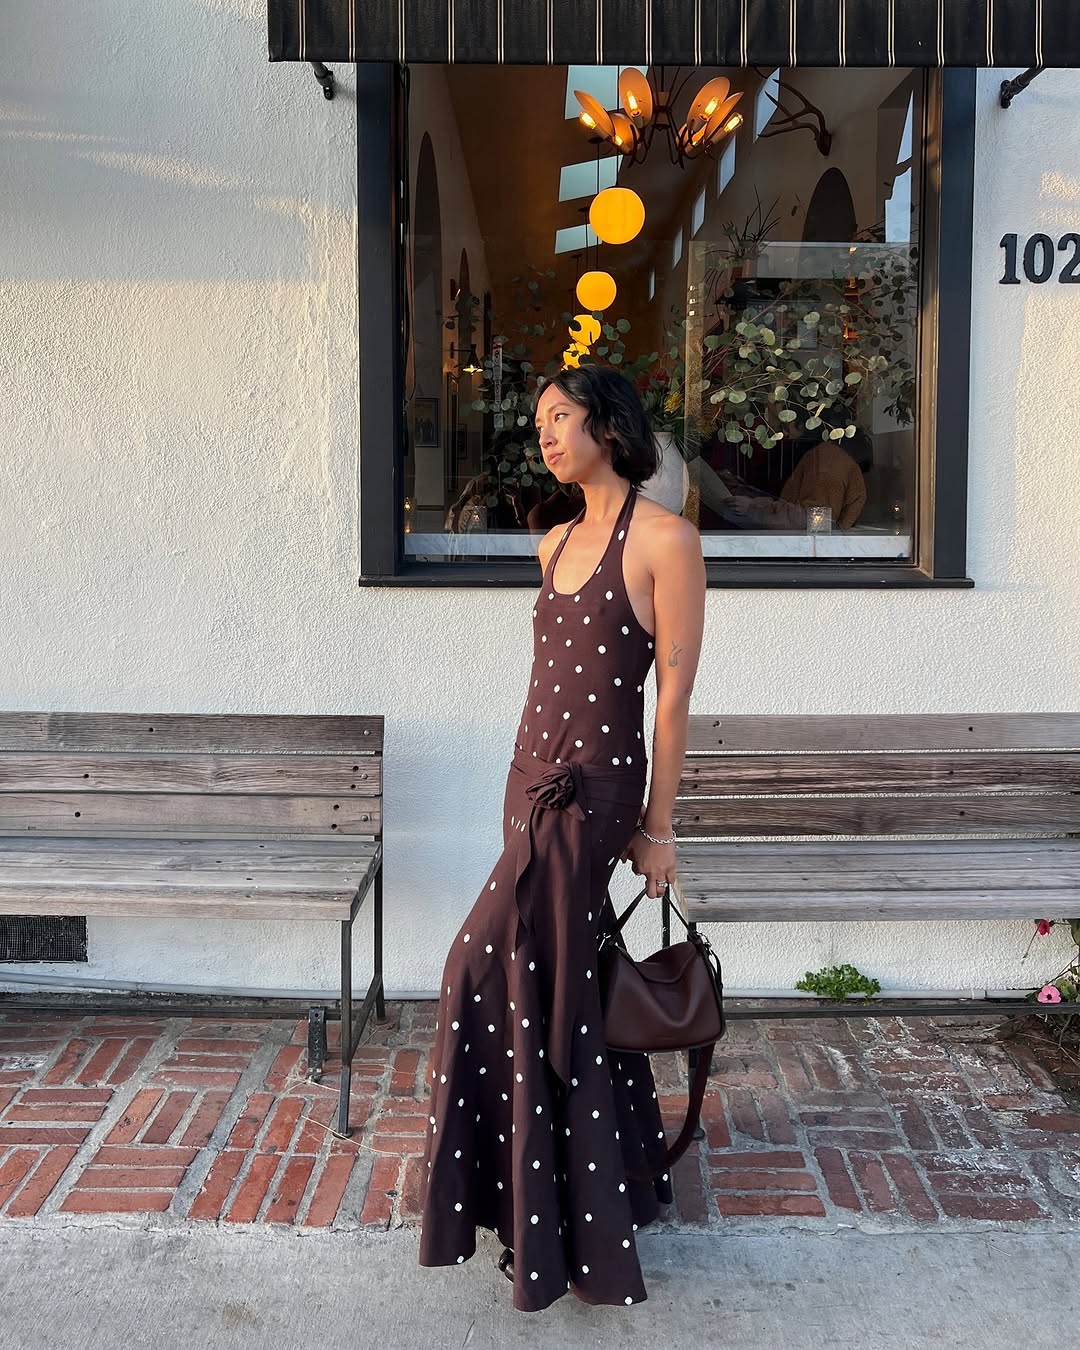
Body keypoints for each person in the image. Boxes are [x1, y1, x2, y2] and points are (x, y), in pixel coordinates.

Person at [418, 364, 706, 1313]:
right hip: (527, 784)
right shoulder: (550, 543)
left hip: (595, 799)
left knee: (475, 966)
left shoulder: (665, 539)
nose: (544, 435)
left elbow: (670, 700)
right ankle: (583, 1201)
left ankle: (553, 1220)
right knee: (556, 985)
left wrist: (658, 829)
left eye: (560, 418)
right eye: (538, 421)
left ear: (608, 426)